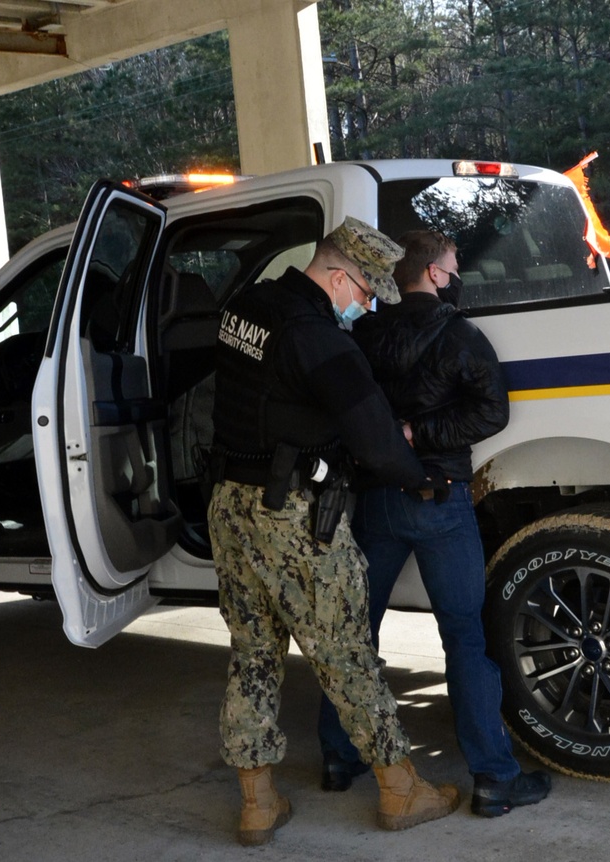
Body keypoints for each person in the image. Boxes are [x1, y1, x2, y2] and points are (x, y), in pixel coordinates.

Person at [208, 217, 460, 846]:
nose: (368, 305)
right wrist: (422, 479)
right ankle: (402, 791)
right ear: (339, 275)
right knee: (345, 653)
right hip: (294, 517)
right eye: (367, 292)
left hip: (230, 508)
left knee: (253, 653)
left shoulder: (248, 308)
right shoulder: (320, 339)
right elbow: (376, 441)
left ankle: (257, 803)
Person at [316, 229, 552, 817]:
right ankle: (494, 778)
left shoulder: (363, 333)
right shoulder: (462, 335)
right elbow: (490, 412)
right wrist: (425, 435)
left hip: (377, 501)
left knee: (354, 633)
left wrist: (398, 436)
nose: (456, 278)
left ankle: (339, 757)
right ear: (433, 275)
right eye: (452, 268)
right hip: (440, 501)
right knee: (465, 640)